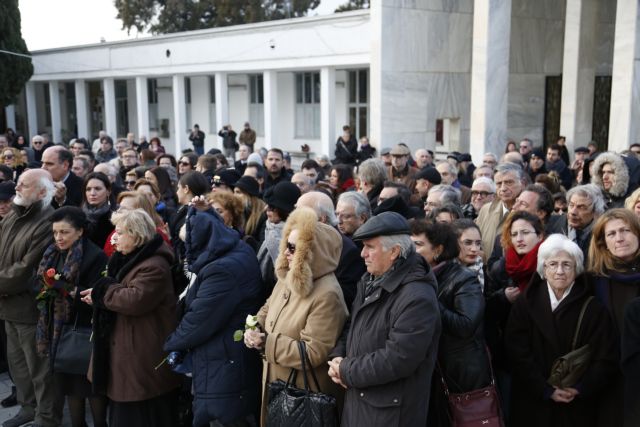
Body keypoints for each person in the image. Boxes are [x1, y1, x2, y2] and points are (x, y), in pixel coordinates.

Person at [328, 212, 441, 426]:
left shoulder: (417, 296)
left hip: (390, 413)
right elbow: (354, 325)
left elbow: (399, 358)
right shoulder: (370, 279)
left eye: (370, 247)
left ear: (394, 252)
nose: (362, 254)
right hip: (361, 402)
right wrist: (338, 356)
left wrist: (347, 370)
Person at [244, 207, 348, 425]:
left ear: (311, 252)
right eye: (286, 246)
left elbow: (314, 352)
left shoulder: (328, 293)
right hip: (278, 385)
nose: (286, 253)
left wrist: (266, 343)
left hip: (302, 396)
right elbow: (267, 308)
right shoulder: (288, 277)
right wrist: (254, 328)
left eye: (293, 248)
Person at [80, 209, 180, 427]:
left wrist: (101, 294)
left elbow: (134, 300)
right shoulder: (130, 257)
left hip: (141, 355)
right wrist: (100, 295)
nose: (115, 237)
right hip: (127, 351)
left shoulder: (154, 265)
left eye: (121, 232)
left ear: (136, 235)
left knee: (140, 414)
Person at [506, 234, 618, 427]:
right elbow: (516, 351)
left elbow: (606, 356)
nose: (560, 271)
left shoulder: (593, 308)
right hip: (533, 401)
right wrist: (544, 389)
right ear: (543, 268)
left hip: (576, 404)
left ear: (576, 269)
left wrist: (581, 388)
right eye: (553, 264)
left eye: (567, 264)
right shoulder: (526, 303)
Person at [165, 206, 263, 426]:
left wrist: (172, 343)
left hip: (223, 361)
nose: (187, 253)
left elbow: (200, 319)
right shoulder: (234, 249)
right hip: (229, 356)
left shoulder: (221, 269)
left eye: (188, 244)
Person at [410, 220, 490, 426]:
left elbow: (465, 326)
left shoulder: (463, 279)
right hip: (428, 373)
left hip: (459, 377)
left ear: (437, 250)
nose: (411, 250)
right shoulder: (416, 276)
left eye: (418, 245)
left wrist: (429, 298)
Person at [36, 207, 109, 427]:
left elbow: (97, 295)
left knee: (89, 388)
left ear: (79, 231)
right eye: (55, 232)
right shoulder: (52, 252)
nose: (58, 237)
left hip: (83, 330)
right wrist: (47, 289)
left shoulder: (95, 255)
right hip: (57, 329)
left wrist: (63, 287)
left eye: (64, 232)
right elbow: (37, 281)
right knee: (68, 388)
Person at [0, 169, 60, 427]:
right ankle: (27, 408)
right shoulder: (13, 214)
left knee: (38, 368)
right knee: (18, 366)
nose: (17, 188)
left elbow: (26, 269)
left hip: (30, 307)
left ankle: (46, 417)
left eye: (23, 185)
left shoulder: (48, 222)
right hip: (7, 304)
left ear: (42, 192)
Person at [587, 208, 640, 426]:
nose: (619, 238)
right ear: (602, 242)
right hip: (609, 380)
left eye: (625, 230)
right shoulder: (593, 281)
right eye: (611, 234)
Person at [257, 181, 301, 297]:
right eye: (267, 205)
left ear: (283, 210)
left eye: (272, 207)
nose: (267, 209)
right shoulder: (268, 226)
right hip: (260, 295)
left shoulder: (294, 236)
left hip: (276, 296)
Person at [81, 172, 114, 248]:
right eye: (88, 189)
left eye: (97, 189)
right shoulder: (79, 215)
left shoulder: (116, 216)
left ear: (108, 191)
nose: (92, 193)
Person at [233, 176, 266, 245]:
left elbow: (261, 247)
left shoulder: (263, 216)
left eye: (238, 192)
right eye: (234, 192)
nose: (234, 196)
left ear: (249, 195)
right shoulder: (236, 212)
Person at [453, 219, 485, 288]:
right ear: (454, 243)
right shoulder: (445, 272)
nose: (474, 249)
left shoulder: (481, 267)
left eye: (478, 243)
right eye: (468, 243)